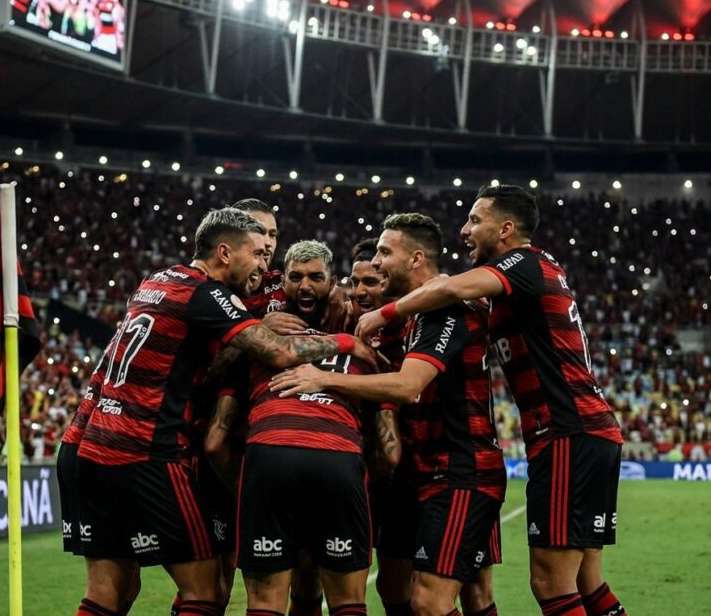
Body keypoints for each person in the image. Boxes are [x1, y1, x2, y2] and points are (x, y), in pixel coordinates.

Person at [74, 209, 375, 616]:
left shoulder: (157, 280)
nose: (264, 262)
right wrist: (346, 343)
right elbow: (278, 351)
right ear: (225, 252)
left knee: (110, 591)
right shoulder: (207, 293)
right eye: (257, 252)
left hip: (94, 444)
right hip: (149, 449)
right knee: (206, 590)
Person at [355, 186, 627, 616]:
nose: (464, 230)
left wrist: (385, 313)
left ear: (505, 229)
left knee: (550, 582)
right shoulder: (522, 281)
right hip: (585, 431)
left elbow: (449, 288)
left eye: (474, 221)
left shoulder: (524, 261)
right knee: (585, 581)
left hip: (566, 431)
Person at [272, 214, 505, 616]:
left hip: (458, 470)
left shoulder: (443, 310)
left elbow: (407, 386)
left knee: (444, 598)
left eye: (384, 254)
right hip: (412, 475)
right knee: (394, 585)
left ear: (415, 259)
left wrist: (324, 379)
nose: (376, 264)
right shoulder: (402, 316)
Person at [210, 240, 373, 616]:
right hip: (340, 464)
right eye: (296, 277)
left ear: (333, 282)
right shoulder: (359, 344)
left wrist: (244, 484)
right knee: (348, 602)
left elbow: (216, 439)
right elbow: (390, 448)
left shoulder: (258, 344)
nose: (305, 286)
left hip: (268, 461)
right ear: (281, 280)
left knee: (265, 603)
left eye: (315, 277)